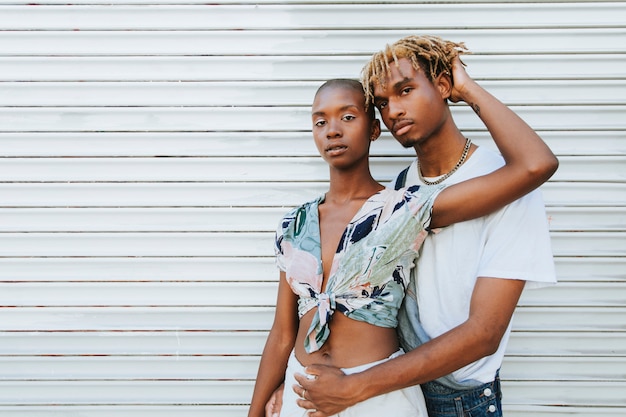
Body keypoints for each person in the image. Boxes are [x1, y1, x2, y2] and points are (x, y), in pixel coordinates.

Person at [253, 37, 558, 416]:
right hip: (378, 380)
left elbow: (484, 333)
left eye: (406, 90)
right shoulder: (399, 189)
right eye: (382, 102)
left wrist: (467, 88)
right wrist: (294, 377)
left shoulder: (477, 192)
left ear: (444, 87)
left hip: (455, 395)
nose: (393, 110)